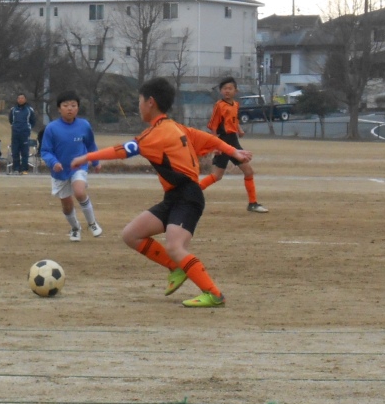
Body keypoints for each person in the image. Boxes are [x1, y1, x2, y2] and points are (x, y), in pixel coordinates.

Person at [71, 77, 252, 308]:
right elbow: (208, 138)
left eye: (140, 101)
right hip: (174, 197)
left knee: (175, 247)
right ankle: (176, 267)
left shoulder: (154, 135)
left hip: (188, 197)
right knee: (131, 235)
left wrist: (87, 157)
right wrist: (233, 151)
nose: (138, 106)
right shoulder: (176, 127)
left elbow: (121, 150)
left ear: (150, 102)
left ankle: (214, 294)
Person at [40, 90, 102, 242]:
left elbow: (91, 145)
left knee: (79, 192)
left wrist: (95, 161)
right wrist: (54, 163)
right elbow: (45, 151)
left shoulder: (84, 125)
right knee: (67, 206)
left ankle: (92, 223)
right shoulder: (52, 128)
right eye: (66, 105)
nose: (70, 108)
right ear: (59, 108)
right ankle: (75, 228)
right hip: (59, 172)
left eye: (73, 105)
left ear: (78, 108)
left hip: (78, 167)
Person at [201, 76, 268, 213]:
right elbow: (213, 126)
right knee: (217, 176)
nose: (227, 91)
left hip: (233, 141)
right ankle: (190, 192)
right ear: (221, 91)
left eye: (230, 88)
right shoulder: (219, 105)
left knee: (248, 171)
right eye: (224, 88)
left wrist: (239, 129)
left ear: (235, 91)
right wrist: (216, 146)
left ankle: (253, 203)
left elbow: (234, 120)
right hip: (223, 141)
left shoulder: (236, 104)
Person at [8, 92, 36, 174]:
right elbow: (11, 120)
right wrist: (15, 127)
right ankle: (16, 169)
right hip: (15, 133)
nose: (20, 100)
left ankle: (24, 169)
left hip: (25, 133)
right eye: (19, 98)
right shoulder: (13, 109)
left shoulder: (29, 110)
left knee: (24, 152)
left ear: (25, 99)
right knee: (15, 151)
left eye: (22, 98)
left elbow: (33, 121)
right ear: (17, 100)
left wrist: (27, 128)